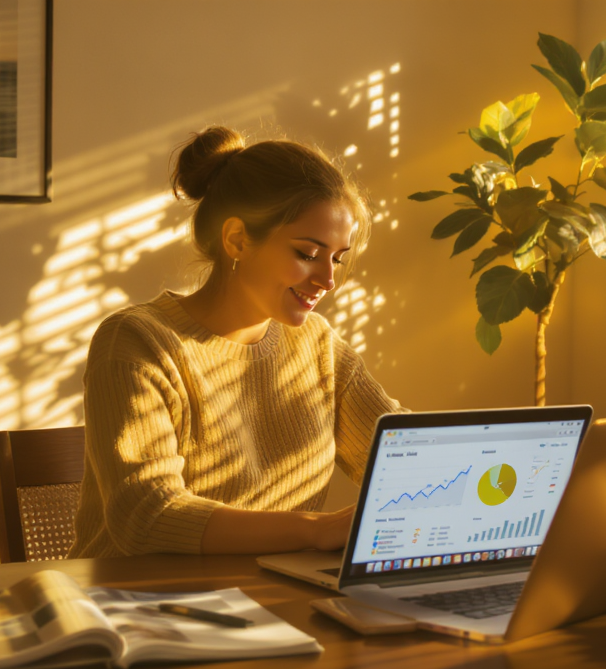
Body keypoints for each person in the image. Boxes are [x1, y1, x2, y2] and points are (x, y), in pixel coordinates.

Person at [67, 126, 405, 559]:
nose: (328, 280)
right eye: (307, 254)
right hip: (134, 594)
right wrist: (315, 529)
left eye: (336, 258)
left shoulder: (316, 344)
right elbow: (147, 517)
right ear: (237, 240)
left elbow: (403, 453)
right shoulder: (137, 342)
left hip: (266, 589)